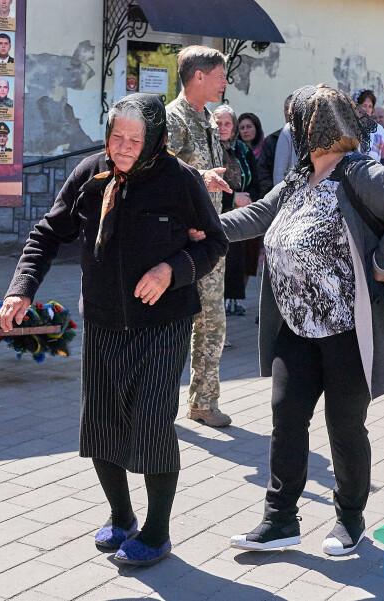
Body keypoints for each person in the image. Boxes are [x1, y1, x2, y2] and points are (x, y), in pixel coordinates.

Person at [0, 94, 228, 566]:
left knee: (151, 422)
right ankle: (122, 516)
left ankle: (157, 531)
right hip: (104, 321)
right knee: (102, 423)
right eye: (115, 136)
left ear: (156, 140)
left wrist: (172, 270)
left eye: (134, 139)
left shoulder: (180, 180)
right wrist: (21, 289)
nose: (122, 147)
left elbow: (214, 244)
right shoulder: (90, 174)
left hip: (163, 323)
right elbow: (48, 233)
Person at [220, 85, 384, 556]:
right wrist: (202, 228)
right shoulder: (300, 177)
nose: (292, 130)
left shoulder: (358, 172)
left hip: (347, 333)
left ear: (311, 125)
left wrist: (382, 261)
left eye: (295, 121)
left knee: (345, 427)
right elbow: (256, 216)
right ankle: (279, 520)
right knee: (286, 421)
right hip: (296, 329)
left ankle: (350, 519)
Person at [166, 45, 233, 427]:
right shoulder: (172, 119)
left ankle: (203, 402)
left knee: (212, 325)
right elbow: (157, 176)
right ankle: (158, 405)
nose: (225, 83)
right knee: (173, 327)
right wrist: (198, 179)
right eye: (220, 76)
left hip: (209, 240)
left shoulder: (207, 118)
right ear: (199, 76)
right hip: (180, 244)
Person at [213, 104, 260, 317]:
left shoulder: (242, 150)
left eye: (227, 123)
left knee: (236, 264)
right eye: (218, 123)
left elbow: (255, 182)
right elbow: (202, 185)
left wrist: (248, 200)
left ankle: (230, 308)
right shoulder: (208, 148)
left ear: (234, 126)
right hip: (214, 214)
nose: (222, 128)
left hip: (239, 215)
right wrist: (233, 198)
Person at [257, 95, 293, 195]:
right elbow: (263, 174)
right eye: (286, 109)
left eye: (292, 108)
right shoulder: (272, 140)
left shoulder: (311, 139)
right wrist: (274, 197)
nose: (289, 112)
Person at [353, 89, 384, 162]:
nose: (367, 110)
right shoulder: (347, 127)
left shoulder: (378, 129)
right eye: (364, 106)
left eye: (370, 106)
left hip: (374, 168)